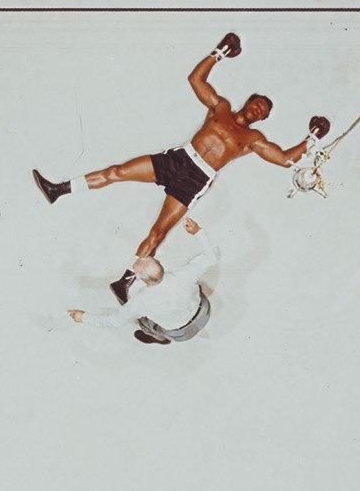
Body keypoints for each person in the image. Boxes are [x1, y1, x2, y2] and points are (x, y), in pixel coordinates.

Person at [32, 37, 324, 291]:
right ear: (248, 102)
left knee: (158, 232)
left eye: (263, 112)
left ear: (261, 119)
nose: (258, 110)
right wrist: (218, 54)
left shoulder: (253, 138)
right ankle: (58, 189)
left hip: (195, 179)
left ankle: (126, 282)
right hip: (179, 159)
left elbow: (285, 159)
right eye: (258, 104)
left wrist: (310, 139)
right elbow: (195, 80)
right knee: (117, 171)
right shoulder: (220, 108)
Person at [68, 217, 218, 345]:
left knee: (144, 321)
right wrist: (198, 232)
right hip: (204, 311)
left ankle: (157, 337)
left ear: (139, 279)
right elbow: (212, 256)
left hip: (180, 333)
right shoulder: (183, 275)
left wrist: (83, 317)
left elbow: (115, 321)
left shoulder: (140, 302)